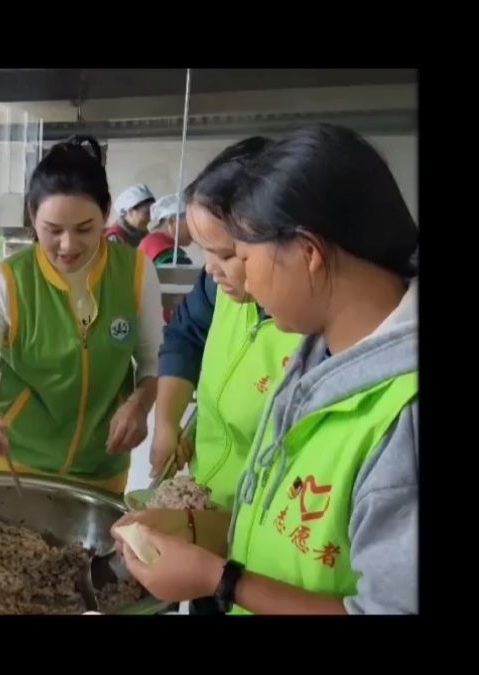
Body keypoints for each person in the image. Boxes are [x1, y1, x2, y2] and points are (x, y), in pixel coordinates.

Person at [114, 124, 418, 615]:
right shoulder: (318, 355)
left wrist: (220, 580)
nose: (242, 283)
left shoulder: (404, 415)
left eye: (244, 257)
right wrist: (197, 534)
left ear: (308, 254)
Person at [0, 136, 164, 495]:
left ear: (106, 213)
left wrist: (140, 405)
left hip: (103, 470)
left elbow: (155, 362)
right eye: (53, 230)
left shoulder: (135, 273)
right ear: (32, 216)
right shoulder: (10, 282)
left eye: (85, 229)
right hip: (20, 468)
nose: (68, 245)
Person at [148, 137, 303, 615]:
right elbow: (185, 337)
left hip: (269, 546)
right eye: (205, 252)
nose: (212, 270)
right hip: (207, 518)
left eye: (227, 253)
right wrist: (168, 422)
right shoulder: (221, 288)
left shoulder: (310, 327)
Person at [139, 193, 193, 266]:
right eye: (190, 223)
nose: (194, 229)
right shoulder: (169, 256)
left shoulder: (149, 240)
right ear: (171, 221)